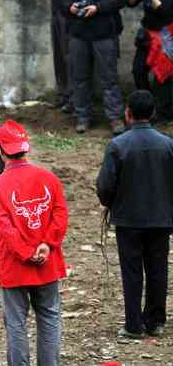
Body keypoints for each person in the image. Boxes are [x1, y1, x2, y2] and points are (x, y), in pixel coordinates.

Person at [0, 120, 68, 366]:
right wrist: (46, 245)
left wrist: (25, 252)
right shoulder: (49, 178)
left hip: (14, 266)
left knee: (15, 324)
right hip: (47, 263)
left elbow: (6, 229)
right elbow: (60, 215)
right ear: (26, 148)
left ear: (1, 151)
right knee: (49, 318)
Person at [96, 90, 173, 339]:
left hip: (128, 220)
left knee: (132, 271)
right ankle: (156, 321)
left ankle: (133, 325)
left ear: (128, 113)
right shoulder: (168, 145)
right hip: (161, 219)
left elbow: (105, 185)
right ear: (152, 114)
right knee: (158, 268)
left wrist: (108, 203)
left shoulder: (118, 145)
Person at [60, 0, 126, 135]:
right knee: (79, 78)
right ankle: (82, 117)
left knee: (109, 79)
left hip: (104, 35)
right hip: (78, 36)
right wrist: (69, 7)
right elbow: (61, 1)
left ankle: (115, 118)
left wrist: (98, 7)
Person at [37, 0, 81, 113]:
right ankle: (63, 95)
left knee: (71, 57)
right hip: (57, 12)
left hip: (74, 15)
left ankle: (74, 98)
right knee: (59, 57)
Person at [126, 0, 173, 124]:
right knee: (138, 71)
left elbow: (165, 12)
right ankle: (147, 108)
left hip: (165, 37)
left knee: (162, 77)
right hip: (147, 36)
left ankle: (164, 114)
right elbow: (130, 2)